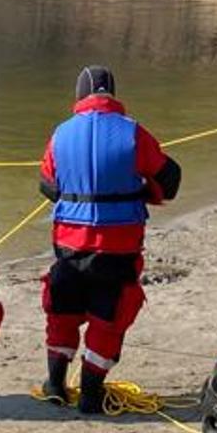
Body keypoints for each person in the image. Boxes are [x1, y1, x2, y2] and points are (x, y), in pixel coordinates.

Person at [37, 66, 182, 413]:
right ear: (112, 95)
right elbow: (171, 179)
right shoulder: (134, 134)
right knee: (109, 318)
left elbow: (46, 184)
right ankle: (89, 394)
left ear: (79, 96)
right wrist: (145, 192)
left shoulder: (60, 134)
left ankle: (55, 385)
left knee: (62, 312)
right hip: (118, 250)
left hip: (69, 248)